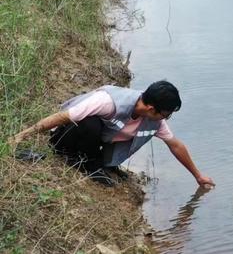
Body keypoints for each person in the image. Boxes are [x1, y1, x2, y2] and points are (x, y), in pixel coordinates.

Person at [10, 80, 215, 188]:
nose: (166, 119)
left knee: (99, 134)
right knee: (91, 122)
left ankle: (94, 162)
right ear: (152, 108)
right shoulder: (108, 101)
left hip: (96, 146)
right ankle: (80, 162)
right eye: (166, 114)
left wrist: (198, 176)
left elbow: (175, 145)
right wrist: (20, 136)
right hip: (67, 138)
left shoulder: (154, 121)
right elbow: (63, 117)